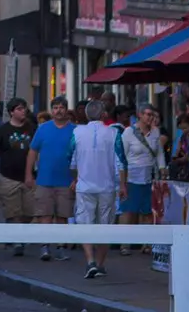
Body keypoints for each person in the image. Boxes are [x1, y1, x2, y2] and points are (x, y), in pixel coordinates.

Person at [69, 99, 120, 278]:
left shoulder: (77, 132)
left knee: (85, 223)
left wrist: (75, 178)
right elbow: (120, 162)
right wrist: (123, 184)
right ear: (104, 114)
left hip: (84, 186)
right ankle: (99, 264)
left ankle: (90, 261)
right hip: (107, 186)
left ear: (86, 114)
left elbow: (71, 159)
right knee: (105, 225)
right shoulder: (114, 133)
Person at [27, 95, 76, 260]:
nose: (58, 110)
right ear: (51, 110)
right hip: (44, 180)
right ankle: (45, 247)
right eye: (55, 107)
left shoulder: (75, 130)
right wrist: (28, 174)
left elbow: (80, 155)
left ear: (66, 109)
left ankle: (61, 247)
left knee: (62, 216)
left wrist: (77, 179)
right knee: (45, 215)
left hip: (66, 180)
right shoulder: (43, 128)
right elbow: (32, 151)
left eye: (61, 107)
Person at [0, 98, 35, 253]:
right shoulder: (2, 130)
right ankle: (18, 241)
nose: (22, 111)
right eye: (19, 109)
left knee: (30, 211)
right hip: (8, 175)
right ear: (11, 112)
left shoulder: (32, 128)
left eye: (24, 108)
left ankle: (22, 235)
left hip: (29, 175)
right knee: (13, 211)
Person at [119, 103, 165, 247]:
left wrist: (162, 168)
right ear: (140, 115)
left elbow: (159, 153)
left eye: (152, 114)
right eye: (148, 114)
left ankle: (147, 244)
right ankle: (125, 244)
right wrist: (122, 182)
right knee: (129, 211)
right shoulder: (128, 132)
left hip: (149, 177)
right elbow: (122, 157)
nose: (151, 117)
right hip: (132, 177)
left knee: (148, 211)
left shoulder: (156, 132)